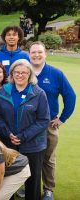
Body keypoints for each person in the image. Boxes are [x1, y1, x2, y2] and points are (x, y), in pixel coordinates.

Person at [0, 59, 50, 200]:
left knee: (33, 179)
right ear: (12, 73)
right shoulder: (3, 91)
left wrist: (23, 136)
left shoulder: (39, 93)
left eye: (24, 72)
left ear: (29, 74)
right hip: (9, 144)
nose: (20, 75)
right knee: (8, 177)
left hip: (33, 145)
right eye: (17, 72)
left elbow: (44, 120)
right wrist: (8, 133)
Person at [29, 41, 76, 200]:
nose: (36, 55)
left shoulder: (56, 73)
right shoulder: (23, 72)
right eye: (33, 52)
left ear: (45, 54)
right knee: (27, 156)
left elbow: (70, 96)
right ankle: (27, 185)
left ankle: (48, 189)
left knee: (48, 158)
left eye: (39, 52)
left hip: (49, 125)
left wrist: (62, 118)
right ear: (29, 54)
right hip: (27, 124)